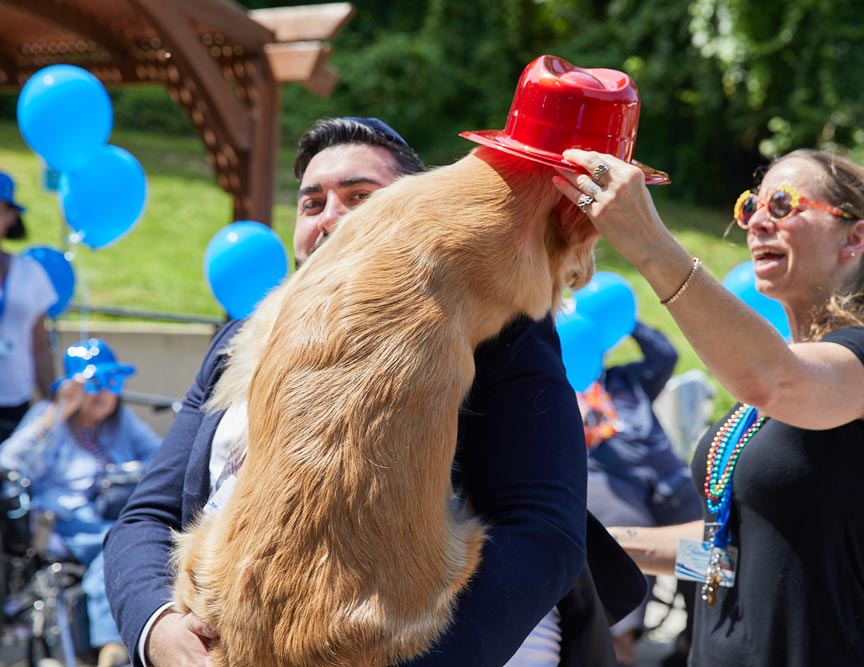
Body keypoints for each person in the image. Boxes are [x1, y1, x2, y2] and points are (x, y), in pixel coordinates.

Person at [104, 116, 644, 667]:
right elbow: (145, 517)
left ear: (409, 213)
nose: (331, 218)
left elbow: (542, 531)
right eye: (311, 204)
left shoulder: (496, 329)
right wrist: (159, 631)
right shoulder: (234, 343)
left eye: (359, 197)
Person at [553, 147, 864, 666]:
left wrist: (649, 243)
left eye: (783, 204)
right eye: (750, 207)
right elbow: (724, 553)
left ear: (854, 238)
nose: (757, 221)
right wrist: (597, 542)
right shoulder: (776, 383)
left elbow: (773, 380)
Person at [0, 338, 161, 667]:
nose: (105, 393)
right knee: (117, 548)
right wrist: (59, 412)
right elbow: (9, 464)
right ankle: (112, 645)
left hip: (118, 514)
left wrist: (126, 473)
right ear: (73, 388)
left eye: (113, 382)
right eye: (94, 383)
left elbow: (164, 460)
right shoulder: (49, 416)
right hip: (66, 522)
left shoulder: (122, 422)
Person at [578, 321, 701, 666]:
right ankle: (622, 644)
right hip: (613, 483)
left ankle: (694, 638)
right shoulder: (558, 389)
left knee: (704, 543)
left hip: (668, 479)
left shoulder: (627, 379)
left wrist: (625, 318)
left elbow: (665, 354)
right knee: (621, 535)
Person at [0, 170, 57, 442]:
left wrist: (53, 403)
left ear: (11, 216)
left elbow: (39, 344)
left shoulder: (30, 272)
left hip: (15, 401)